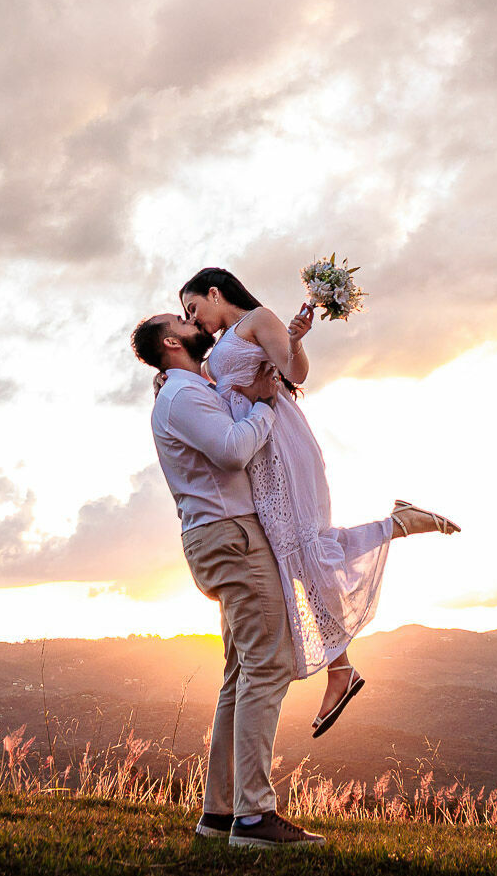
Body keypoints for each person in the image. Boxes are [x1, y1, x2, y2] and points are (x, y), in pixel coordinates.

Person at [178, 267, 459, 740]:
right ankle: (344, 660)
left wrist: (294, 341)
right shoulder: (222, 345)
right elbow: (215, 391)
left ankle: (343, 660)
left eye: (193, 308)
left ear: (214, 292)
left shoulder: (255, 319)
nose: (194, 319)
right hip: (258, 451)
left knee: (301, 550)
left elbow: (295, 374)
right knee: (296, 555)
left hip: (280, 448)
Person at [131, 311, 326, 850]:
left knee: (241, 673)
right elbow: (234, 451)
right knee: (269, 664)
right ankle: (255, 815)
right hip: (231, 538)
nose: (194, 321)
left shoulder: (194, 389)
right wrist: (264, 405)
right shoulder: (183, 397)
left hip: (222, 538)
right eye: (183, 319)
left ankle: (219, 813)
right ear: (172, 342)